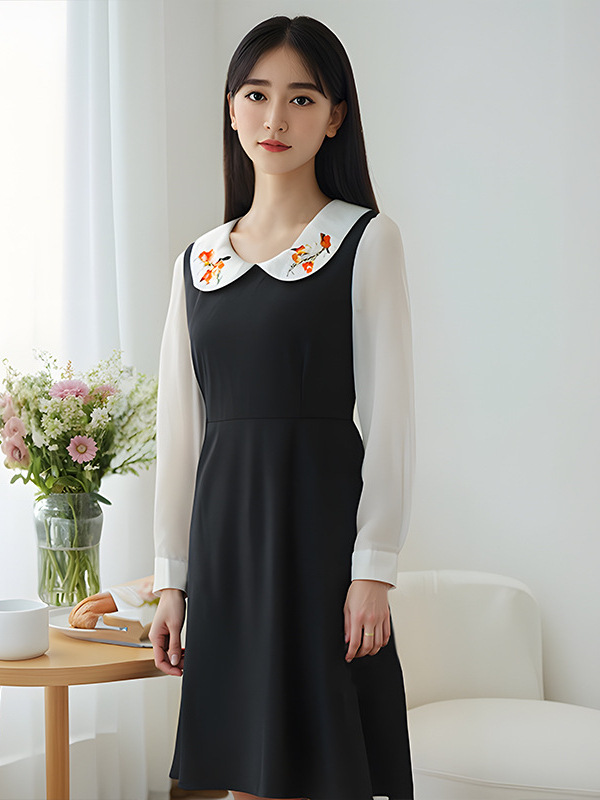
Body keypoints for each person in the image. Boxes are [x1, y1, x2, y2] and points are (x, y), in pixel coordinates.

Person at [148, 14, 416, 800]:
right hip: (226, 552)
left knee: (323, 772)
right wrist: (172, 582)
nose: (275, 118)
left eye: (301, 99)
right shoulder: (197, 261)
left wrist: (374, 570)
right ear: (232, 108)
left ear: (335, 117)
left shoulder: (365, 240)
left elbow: (392, 422)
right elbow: (180, 434)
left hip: (321, 545)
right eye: (256, 95)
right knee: (245, 777)